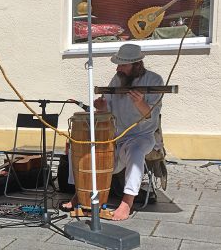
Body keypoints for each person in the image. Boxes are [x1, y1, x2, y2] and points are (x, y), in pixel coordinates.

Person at [61, 44, 163, 221]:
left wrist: (139, 102)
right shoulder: (117, 80)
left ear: (136, 64)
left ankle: (127, 202)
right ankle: (80, 193)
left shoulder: (154, 80)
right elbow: (107, 111)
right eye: (118, 64)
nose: (118, 68)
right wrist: (101, 107)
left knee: (136, 151)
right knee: (78, 147)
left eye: (123, 65)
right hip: (115, 137)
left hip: (141, 136)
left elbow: (150, 115)